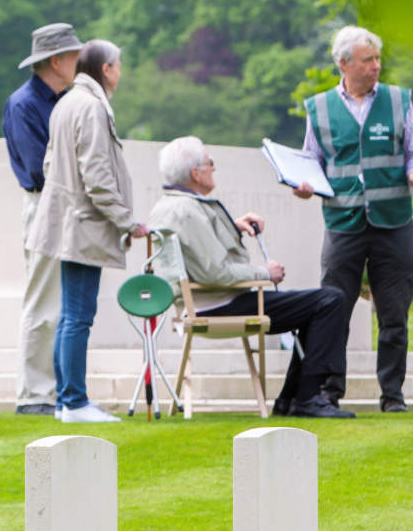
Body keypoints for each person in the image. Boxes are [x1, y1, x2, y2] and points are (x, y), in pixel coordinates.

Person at [293, 25, 413, 412]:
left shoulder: (398, 100)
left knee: (394, 315)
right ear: (344, 64)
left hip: (393, 222)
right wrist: (304, 184)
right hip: (342, 223)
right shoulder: (319, 108)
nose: (376, 66)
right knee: (334, 310)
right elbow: (311, 161)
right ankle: (330, 392)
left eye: (378, 59)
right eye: (368, 60)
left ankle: (392, 395)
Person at [146, 137, 354, 419]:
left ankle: (291, 399)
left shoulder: (172, 206)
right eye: (209, 163)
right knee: (331, 299)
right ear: (195, 173)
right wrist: (265, 273)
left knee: (316, 306)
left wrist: (233, 227)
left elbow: (200, 249)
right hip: (221, 303)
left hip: (204, 301)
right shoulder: (187, 210)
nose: (213, 168)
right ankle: (307, 397)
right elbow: (215, 272)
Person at [25, 39, 146, 423]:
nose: (121, 73)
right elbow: (96, 174)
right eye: (119, 65)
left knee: (70, 315)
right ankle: (74, 401)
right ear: (106, 69)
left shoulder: (65, 103)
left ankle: (66, 401)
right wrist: (126, 220)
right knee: (78, 315)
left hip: (67, 222)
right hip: (83, 225)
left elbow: (49, 163)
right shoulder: (91, 106)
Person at [3, 23, 78, 416]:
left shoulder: (60, 101)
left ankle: (56, 391)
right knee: (43, 303)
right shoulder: (25, 105)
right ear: (56, 59)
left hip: (63, 206)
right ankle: (34, 395)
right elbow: (37, 170)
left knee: (63, 305)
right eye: (74, 56)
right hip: (44, 204)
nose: (79, 63)